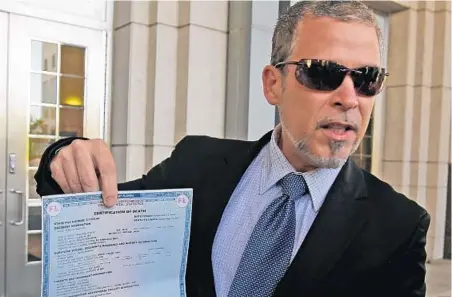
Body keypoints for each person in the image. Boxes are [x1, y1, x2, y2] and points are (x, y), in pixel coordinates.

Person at [35, 1, 430, 297]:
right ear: (273, 84)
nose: (349, 97)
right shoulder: (197, 163)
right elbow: (93, 205)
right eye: (323, 73)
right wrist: (65, 156)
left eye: (367, 78)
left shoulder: (397, 226)